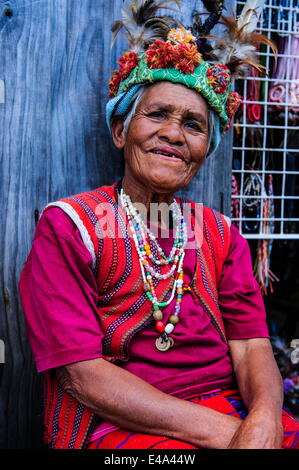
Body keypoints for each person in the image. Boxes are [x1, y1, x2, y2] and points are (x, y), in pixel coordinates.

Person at [18, 0, 299, 449]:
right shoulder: (70, 226)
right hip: (123, 429)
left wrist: (265, 421)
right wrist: (234, 438)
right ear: (120, 132)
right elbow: (83, 374)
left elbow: (251, 345)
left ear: (206, 149)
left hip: (236, 415)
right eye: (156, 114)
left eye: (194, 124)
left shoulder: (222, 236)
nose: (173, 133)